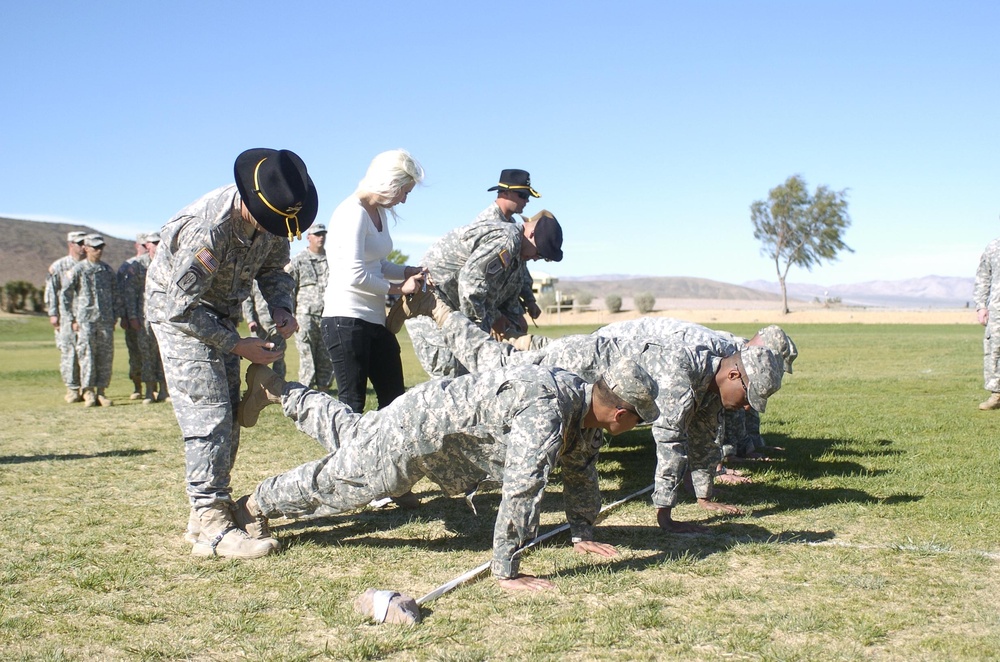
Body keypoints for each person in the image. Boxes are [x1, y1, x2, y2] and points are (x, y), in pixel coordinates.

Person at [234, 357, 659, 590]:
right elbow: (522, 490)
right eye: (640, 419)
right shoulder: (546, 412)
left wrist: (582, 532)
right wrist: (507, 568)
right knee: (347, 482)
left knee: (353, 432)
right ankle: (254, 505)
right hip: (417, 434)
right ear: (620, 413)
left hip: (427, 416)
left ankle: (277, 389)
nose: (637, 425)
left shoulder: (584, 409)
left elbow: (581, 468)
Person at [410, 303, 785, 532]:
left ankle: (486, 332)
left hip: (599, 368)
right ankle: (439, 313)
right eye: (748, 397)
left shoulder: (711, 381)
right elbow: (671, 443)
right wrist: (665, 515)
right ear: (733, 374)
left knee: (499, 361)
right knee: (493, 363)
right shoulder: (681, 374)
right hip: (575, 361)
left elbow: (703, 436)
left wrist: (704, 496)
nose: (747, 407)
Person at [146, 147, 317, 559]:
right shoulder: (208, 229)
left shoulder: (275, 216)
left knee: (228, 414)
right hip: (181, 317)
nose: (276, 229)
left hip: (220, 313)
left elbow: (274, 269)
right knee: (209, 413)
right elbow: (178, 309)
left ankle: (206, 514)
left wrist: (281, 308)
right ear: (251, 202)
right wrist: (238, 345)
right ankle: (212, 527)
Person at [397, 207, 564, 378]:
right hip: (429, 303)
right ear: (532, 234)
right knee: (451, 372)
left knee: (468, 371)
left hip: (448, 307)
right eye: (539, 253)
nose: (535, 258)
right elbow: (471, 284)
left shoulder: (515, 248)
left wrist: (495, 318)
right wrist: (479, 332)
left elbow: (487, 291)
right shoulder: (507, 240)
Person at [321, 149, 426, 413]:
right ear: (391, 182)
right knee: (351, 404)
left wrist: (407, 271)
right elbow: (354, 275)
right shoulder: (352, 212)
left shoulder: (378, 212)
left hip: (375, 319)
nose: (403, 200)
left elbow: (377, 264)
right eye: (404, 192)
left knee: (394, 400)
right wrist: (399, 288)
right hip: (346, 319)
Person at [61, 234, 123, 407]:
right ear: (86, 248)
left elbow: (116, 294)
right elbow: (65, 294)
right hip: (85, 320)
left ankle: (101, 391)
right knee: (86, 355)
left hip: (105, 320)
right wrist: (71, 318)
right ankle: (88, 391)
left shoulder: (107, 270)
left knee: (105, 357)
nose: (98, 251)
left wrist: (115, 316)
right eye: (95, 247)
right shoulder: (78, 269)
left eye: (101, 247)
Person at [287, 223, 333, 390]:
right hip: (305, 317)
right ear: (308, 237)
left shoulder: (332, 259)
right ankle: (305, 393)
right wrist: (291, 316)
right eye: (317, 234)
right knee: (307, 358)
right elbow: (289, 290)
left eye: (323, 234)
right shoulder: (299, 260)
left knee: (326, 358)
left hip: (328, 315)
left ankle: (324, 393)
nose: (321, 237)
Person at [45, 230, 87, 403]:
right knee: (69, 353)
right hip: (66, 317)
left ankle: (87, 387)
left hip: (85, 317)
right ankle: (72, 388)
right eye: (80, 243)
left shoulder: (88, 265)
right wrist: (53, 313)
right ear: (70, 245)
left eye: (85, 243)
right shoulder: (59, 266)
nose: (83, 247)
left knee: (87, 353)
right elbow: (51, 291)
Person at [118, 233, 156, 401]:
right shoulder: (130, 266)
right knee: (137, 354)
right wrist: (126, 316)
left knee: (153, 353)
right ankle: (138, 386)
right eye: (143, 245)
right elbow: (124, 293)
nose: (146, 248)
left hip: (150, 317)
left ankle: (156, 387)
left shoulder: (156, 262)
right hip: (135, 318)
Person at [974, 235, 1000, 410]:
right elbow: (983, 276)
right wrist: (981, 305)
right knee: (995, 350)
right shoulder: (994, 247)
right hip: (997, 309)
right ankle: (997, 394)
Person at [242, 281, 287, 379]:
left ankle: (279, 384)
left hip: (277, 326)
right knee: (258, 358)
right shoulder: (254, 281)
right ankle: (257, 384)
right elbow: (248, 300)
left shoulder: (278, 278)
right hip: (259, 327)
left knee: (278, 357)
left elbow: (287, 298)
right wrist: (250, 320)